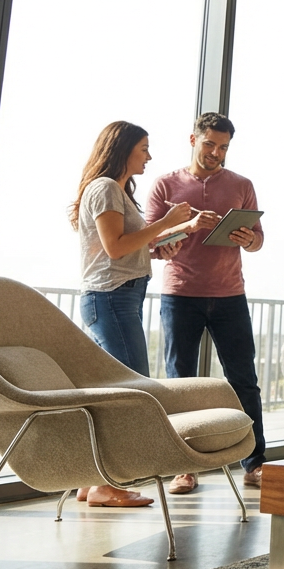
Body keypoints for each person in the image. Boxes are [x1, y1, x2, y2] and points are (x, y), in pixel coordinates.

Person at [71, 120, 195, 508]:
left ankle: (90, 481)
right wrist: (167, 222)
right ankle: (106, 487)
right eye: (144, 148)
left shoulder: (114, 190)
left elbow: (126, 246)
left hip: (115, 298)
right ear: (123, 149)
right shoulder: (106, 188)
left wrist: (156, 249)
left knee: (114, 392)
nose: (149, 156)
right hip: (111, 299)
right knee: (129, 394)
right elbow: (114, 247)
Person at [145, 112, 266, 493]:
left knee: (244, 379)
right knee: (180, 381)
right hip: (181, 295)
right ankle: (184, 467)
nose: (216, 153)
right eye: (210, 144)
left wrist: (248, 238)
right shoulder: (164, 185)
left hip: (231, 294)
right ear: (193, 139)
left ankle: (256, 463)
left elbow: (259, 239)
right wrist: (187, 227)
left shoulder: (242, 184)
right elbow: (149, 243)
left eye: (224, 147)